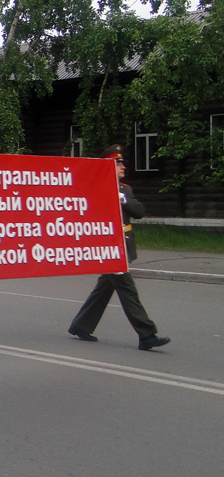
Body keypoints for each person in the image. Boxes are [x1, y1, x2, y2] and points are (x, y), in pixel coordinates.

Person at [68, 145, 171, 351]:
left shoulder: (124, 189)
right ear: (107, 166)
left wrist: (122, 199)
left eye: (122, 162)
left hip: (123, 245)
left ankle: (80, 325)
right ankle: (147, 334)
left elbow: (139, 211)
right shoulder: (94, 189)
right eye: (118, 163)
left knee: (105, 287)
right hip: (108, 248)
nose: (123, 166)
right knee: (127, 288)